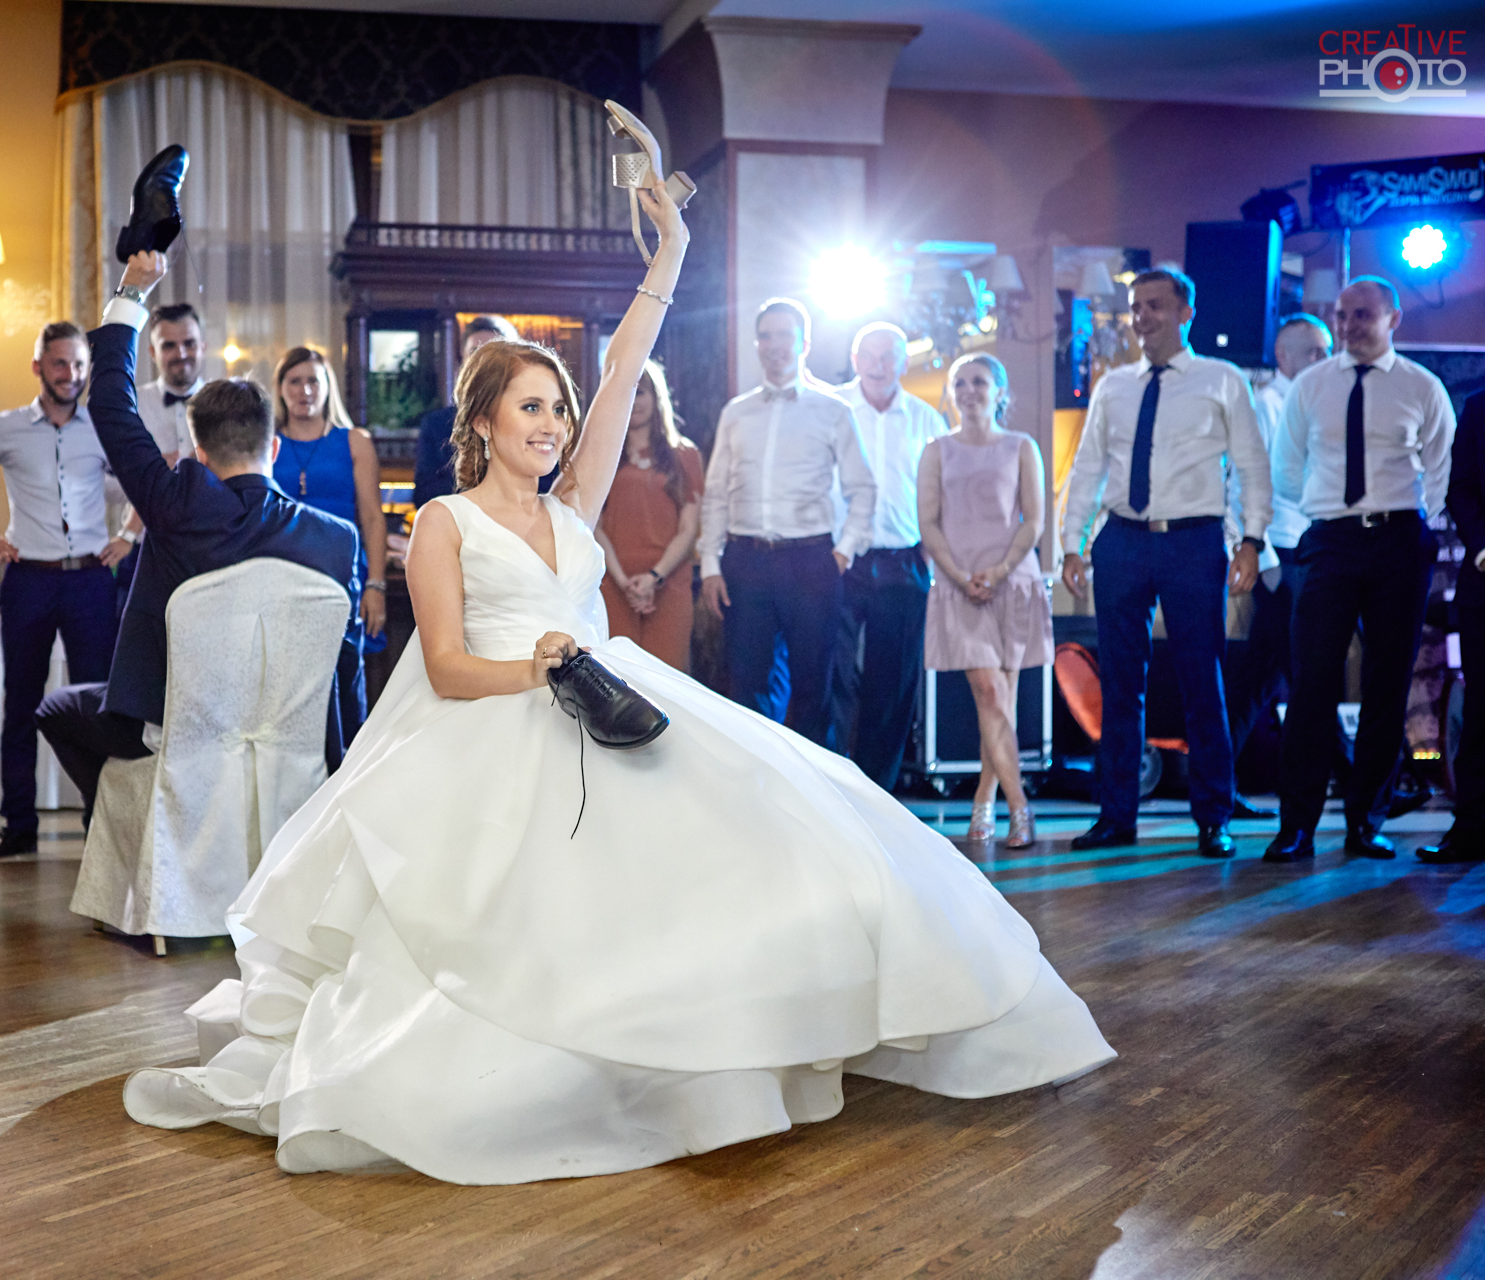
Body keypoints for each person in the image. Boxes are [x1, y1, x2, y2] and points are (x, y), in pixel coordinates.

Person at [121, 182, 1113, 1186]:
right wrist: (540, 667)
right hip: (495, 716)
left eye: (559, 408)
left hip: (615, 700)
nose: (553, 424)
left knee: (787, 828)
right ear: (485, 420)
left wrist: (669, 253)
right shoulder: (444, 523)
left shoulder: (576, 503)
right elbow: (448, 665)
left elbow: (628, 362)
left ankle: (768, 1025)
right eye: (532, 408)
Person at [35, 267, 359, 827]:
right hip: (293, 737)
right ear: (274, 449)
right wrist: (342, 757)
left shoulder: (175, 503)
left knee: (56, 706)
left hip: (181, 726)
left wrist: (132, 291)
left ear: (199, 453)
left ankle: (122, 820)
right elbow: (345, 661)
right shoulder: (336, 539)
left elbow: (109, 405)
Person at [1059, 269, 1268, 860]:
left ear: (1185, 312)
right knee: (1120, 681)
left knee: (1202, 678)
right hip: (1122, 539)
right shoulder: (1114, 386)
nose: (1142, 317)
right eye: (1136, 307)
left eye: (1154, 305)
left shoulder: (1222, 379)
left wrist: (1252, 539)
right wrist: (1072, 543)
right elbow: (1088, 467)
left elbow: (1251, 464)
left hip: (1193, 540)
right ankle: (1116, 814)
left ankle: (1213, 816)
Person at [1265, 277, 1456, 863]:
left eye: (1362, 315)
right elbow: (1286, 468)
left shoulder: (1421, 386)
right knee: (1312, 682)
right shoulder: (1311, 384)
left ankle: (1365, 822)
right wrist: (1327, 511)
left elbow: (1442, 467)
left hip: (1399, 540)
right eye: (1342, 315)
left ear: (1393, 319)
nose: (1348, 325)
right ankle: (1296, 826)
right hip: (1330, 539)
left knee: (1386, 683)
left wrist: (1421, 528)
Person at [0, 321, 131, 860]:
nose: (70, 374)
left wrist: (128, 535)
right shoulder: (4, 428)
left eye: (78, 364)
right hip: (29, 579)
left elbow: (146, 479)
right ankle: (19, 824)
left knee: (97, 705)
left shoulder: (104, 427)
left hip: (90, 580)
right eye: (59, 363)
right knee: (20, 702)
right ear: (38, 367)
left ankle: (99, 825)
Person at [699, 299, 875, 743]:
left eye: (785, 336)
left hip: (811, 560)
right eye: (766, 336)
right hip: (745, 560)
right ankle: (757, 780)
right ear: (757, 343)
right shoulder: (736, 412)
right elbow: (716, 492)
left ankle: (814, 785)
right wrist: (711, 565)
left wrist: (842, 552)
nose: (775, 345)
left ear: (804, 344)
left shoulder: (833, 410)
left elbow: (863, 488)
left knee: (814, 687)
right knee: (747, 687)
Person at [919, 353, 1050, 848]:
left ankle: (984, 798)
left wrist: (999, 571)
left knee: (1001, 703)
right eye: (960, 383)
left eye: (978, 381)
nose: (969, 390)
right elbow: (928, 522)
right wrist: (960, 576)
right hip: (960, 584)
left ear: (1000, 392)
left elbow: (1034, 520)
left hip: (1012, 581)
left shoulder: (1021, 447)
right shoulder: (936, 451)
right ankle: (1020, 809)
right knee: (991, 694)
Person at [828, 322, 948, 787]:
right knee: (831, 673)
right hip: (839, 558)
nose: (878, 365)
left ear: (904, 362)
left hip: (905, 558)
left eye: (889, 356)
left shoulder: (926, 420)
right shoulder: (831, 408)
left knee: (894, 680)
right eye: (869, 355)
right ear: (854, 360)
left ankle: (879, 788)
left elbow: (944, 493)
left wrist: (932, 557)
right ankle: (830, 780)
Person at [1224, 314, 1335, 817]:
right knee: (1306, 669)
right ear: (1283, 356)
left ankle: (1217, 781)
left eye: (1326, 350)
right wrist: (1263, 559)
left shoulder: (1312, 402)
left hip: (1302, 548)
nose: (1323, 359)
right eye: (1313, 351)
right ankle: (1352, 770)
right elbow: (1244, 487)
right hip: (1280, 554)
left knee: (1259, 677)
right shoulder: (1268, 406)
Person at [274, 346, 385, 748]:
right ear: (280, 388)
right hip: (283, 577)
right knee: (287, 684)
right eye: (294, 381)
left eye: (313, 381)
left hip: (343, 577)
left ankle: (348, 767)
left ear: (327, 388)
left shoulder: (354, 441)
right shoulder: (267, 443)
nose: (304, 390)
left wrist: (376, 584)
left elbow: (372, 518)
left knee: (345, 680)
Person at [595, 360, 701, 671]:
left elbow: (689, 528)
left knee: (667, 680)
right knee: (617, 681)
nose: (634, 401)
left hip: (669, 583)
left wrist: (654, 577)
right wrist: (623, 582)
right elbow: (593, 526)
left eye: (640, 392)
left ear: (656, 397)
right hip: (614, 583)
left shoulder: (685, 455)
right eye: (626, 392)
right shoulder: (600, 455)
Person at [1422, 390, 1485, 863]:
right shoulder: (1479, 406)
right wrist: (1481, 547)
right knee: (1481, 710)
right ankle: (1472, 829)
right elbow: (1459, 488)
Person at [111, 303, 201, 614]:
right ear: (152, 352)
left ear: (203, 346)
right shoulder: (130, 406)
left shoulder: (225, 403)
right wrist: (146, 473)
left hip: (206, 546)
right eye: (169, 345)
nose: (181, 353)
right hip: (142, 548)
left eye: (189, 343)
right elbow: (106, 483)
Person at [413, 315, 519, 508]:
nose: (485, 360)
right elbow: (423, 495)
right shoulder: (436, 424)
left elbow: (548, 486)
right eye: (475, 352)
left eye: (496, 351)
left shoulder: (530, 420)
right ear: (463, 361)